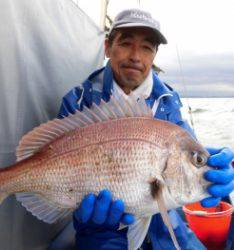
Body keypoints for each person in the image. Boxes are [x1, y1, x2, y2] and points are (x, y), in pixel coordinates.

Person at [49, 8, 234, 250]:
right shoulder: (78, 101)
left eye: (147, 47)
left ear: (154, 55)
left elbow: (186, 155)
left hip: (167, 227)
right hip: (100, 231)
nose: (136, 56)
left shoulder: (167, 101)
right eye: (126, 43)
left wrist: (214, 174)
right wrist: (90, 223)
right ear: (107, 47)